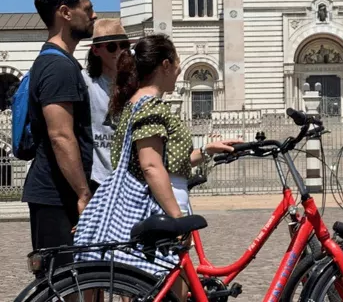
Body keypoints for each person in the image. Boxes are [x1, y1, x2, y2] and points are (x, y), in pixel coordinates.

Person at [75, 35, 241, 300]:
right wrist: (177, 219)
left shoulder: (133, 104)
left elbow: (167, 162)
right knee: (174, 289)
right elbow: (151, 166)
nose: (178, 70)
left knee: (168, 288)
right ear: (165, 65)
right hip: (161, 204)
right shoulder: (150, 106)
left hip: (159, 200)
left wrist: (207, 150)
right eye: (176, 64)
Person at [21, 0, 97, 274]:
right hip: (57, 196)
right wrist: (82, 193)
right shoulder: (58, 67)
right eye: (87, 8)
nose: (93, 15)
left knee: (76, 283)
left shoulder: (58, 62)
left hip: (57, 193)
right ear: (65, 12)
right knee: (68, 286)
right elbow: (61, 135)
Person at [82, 18, 131, 192]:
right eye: (111, 46)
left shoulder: (134, 84)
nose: (119, 51)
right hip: (97, 178)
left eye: (124, 45)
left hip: (129, 178)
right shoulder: (85, 81)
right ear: (95, 50)